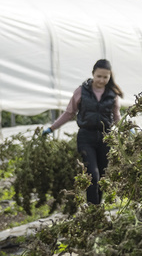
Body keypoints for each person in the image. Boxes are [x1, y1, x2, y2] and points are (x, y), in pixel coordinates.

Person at [43, 59, 124, 204]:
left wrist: (129, 129)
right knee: (92, 174)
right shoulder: (81, 91)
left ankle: (96, 209)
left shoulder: (112, 94)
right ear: (93, 74)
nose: (102, 80)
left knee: (103, 177)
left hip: (106, 139)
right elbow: (69, 113)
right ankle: (92, 210)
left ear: (110, 77)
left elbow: (117, 117)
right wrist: (52, 128)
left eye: (105, 77)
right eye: (99, 76)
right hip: (86, 137)